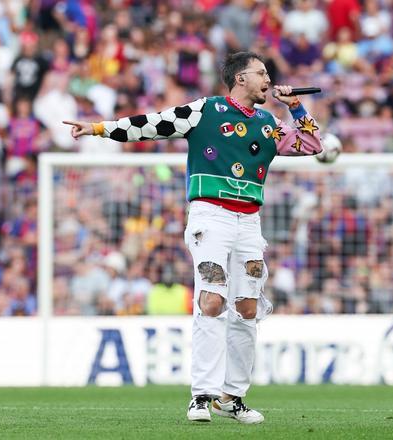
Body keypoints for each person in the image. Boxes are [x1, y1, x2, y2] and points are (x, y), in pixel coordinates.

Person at [63, 51, 323, 424]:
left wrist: (296, 107)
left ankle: (232, 397)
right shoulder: (206, 111)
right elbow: (153, 124)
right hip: (210, 215)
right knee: (213, 298)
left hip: (250, 221)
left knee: (247, 307)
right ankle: (201, 395)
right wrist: (100, 127)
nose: (269, 79)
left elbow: (314, 146)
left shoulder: (269, 122)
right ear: (240, 79)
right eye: (261, 73)